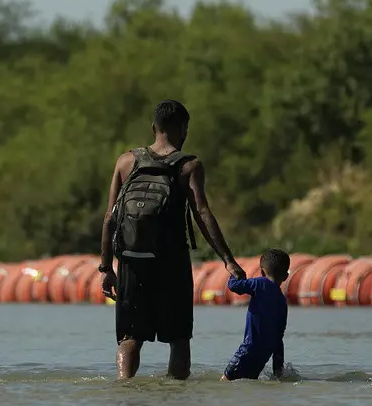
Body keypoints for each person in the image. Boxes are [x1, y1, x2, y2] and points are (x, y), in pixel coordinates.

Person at [100, 100, 246, 380]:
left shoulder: (126, 161)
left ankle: (123, 388)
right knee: (178, 339)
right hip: (172, 263)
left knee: (130, 338)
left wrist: (106, 269)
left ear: (154, 127)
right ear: (184, 129)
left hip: (131, 261)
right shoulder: (189, 166)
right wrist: (228, 260)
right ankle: (177, 395)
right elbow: (202, 214)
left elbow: (109, 218)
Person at [222, 248, 291, 381]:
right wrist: (278, 369)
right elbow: (279, 337)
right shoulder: (282, 301)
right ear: (286, 276)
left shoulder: (259, 283)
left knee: (224, 383)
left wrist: (234, 273)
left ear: (261, 271)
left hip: (247, 350)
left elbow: (235, 286)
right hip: (263, 356)